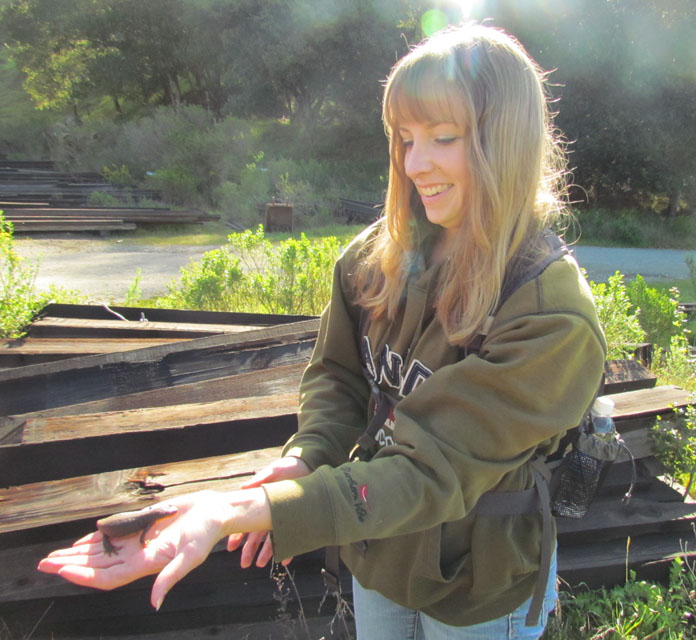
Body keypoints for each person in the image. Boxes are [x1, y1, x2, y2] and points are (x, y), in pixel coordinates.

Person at [38, 22, 606, 640]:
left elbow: (428, 469)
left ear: (506, 142)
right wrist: (309, 457)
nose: (416, 164)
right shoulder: (376, 261)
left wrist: (241, 510)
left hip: (478, 585)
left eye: (443, 138)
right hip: (376, 550)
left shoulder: (550, 314)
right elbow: (339, 379)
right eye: (405, 139)